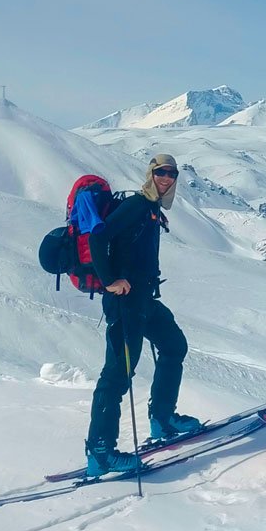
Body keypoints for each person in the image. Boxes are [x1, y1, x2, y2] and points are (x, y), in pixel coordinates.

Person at [79, 154, 200, 477]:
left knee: (174, 346)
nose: (166, 177)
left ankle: (162, 418)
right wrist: (109, 282)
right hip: (126, 303)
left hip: (144, 300)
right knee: (117, 374)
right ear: (150, 173)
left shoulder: (151, 208)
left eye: (171, 173)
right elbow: (98, 236)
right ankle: (101, 451)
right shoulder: (136, 205)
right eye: (161, 172)